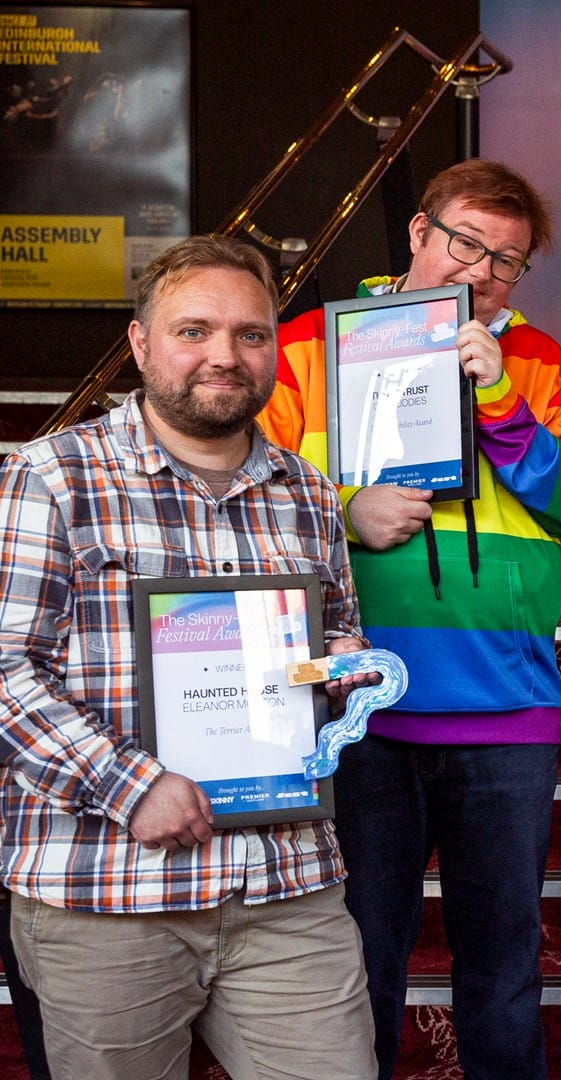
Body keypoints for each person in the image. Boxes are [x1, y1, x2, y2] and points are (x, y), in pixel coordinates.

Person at [259, 159, 561, 1079]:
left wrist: (499, 398)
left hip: (506, 710)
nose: (481, 272)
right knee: (358, 963)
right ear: (418, 234)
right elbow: (245, 508)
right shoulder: (304, 348)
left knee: (503, 972)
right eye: (465, 244)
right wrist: (345, 511)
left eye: (507, 260)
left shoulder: (545, 363)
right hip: (359, 710)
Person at [0, 235, 376, 1078]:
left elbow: (335, 632)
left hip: (287, 886)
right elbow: (3, 672)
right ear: (140, 345)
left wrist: (344, 664)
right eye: (194, 331)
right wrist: (131, 785)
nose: (225, 356)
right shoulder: (52, 475)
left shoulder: (309, 491)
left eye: (251, 334)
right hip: (108, 894)